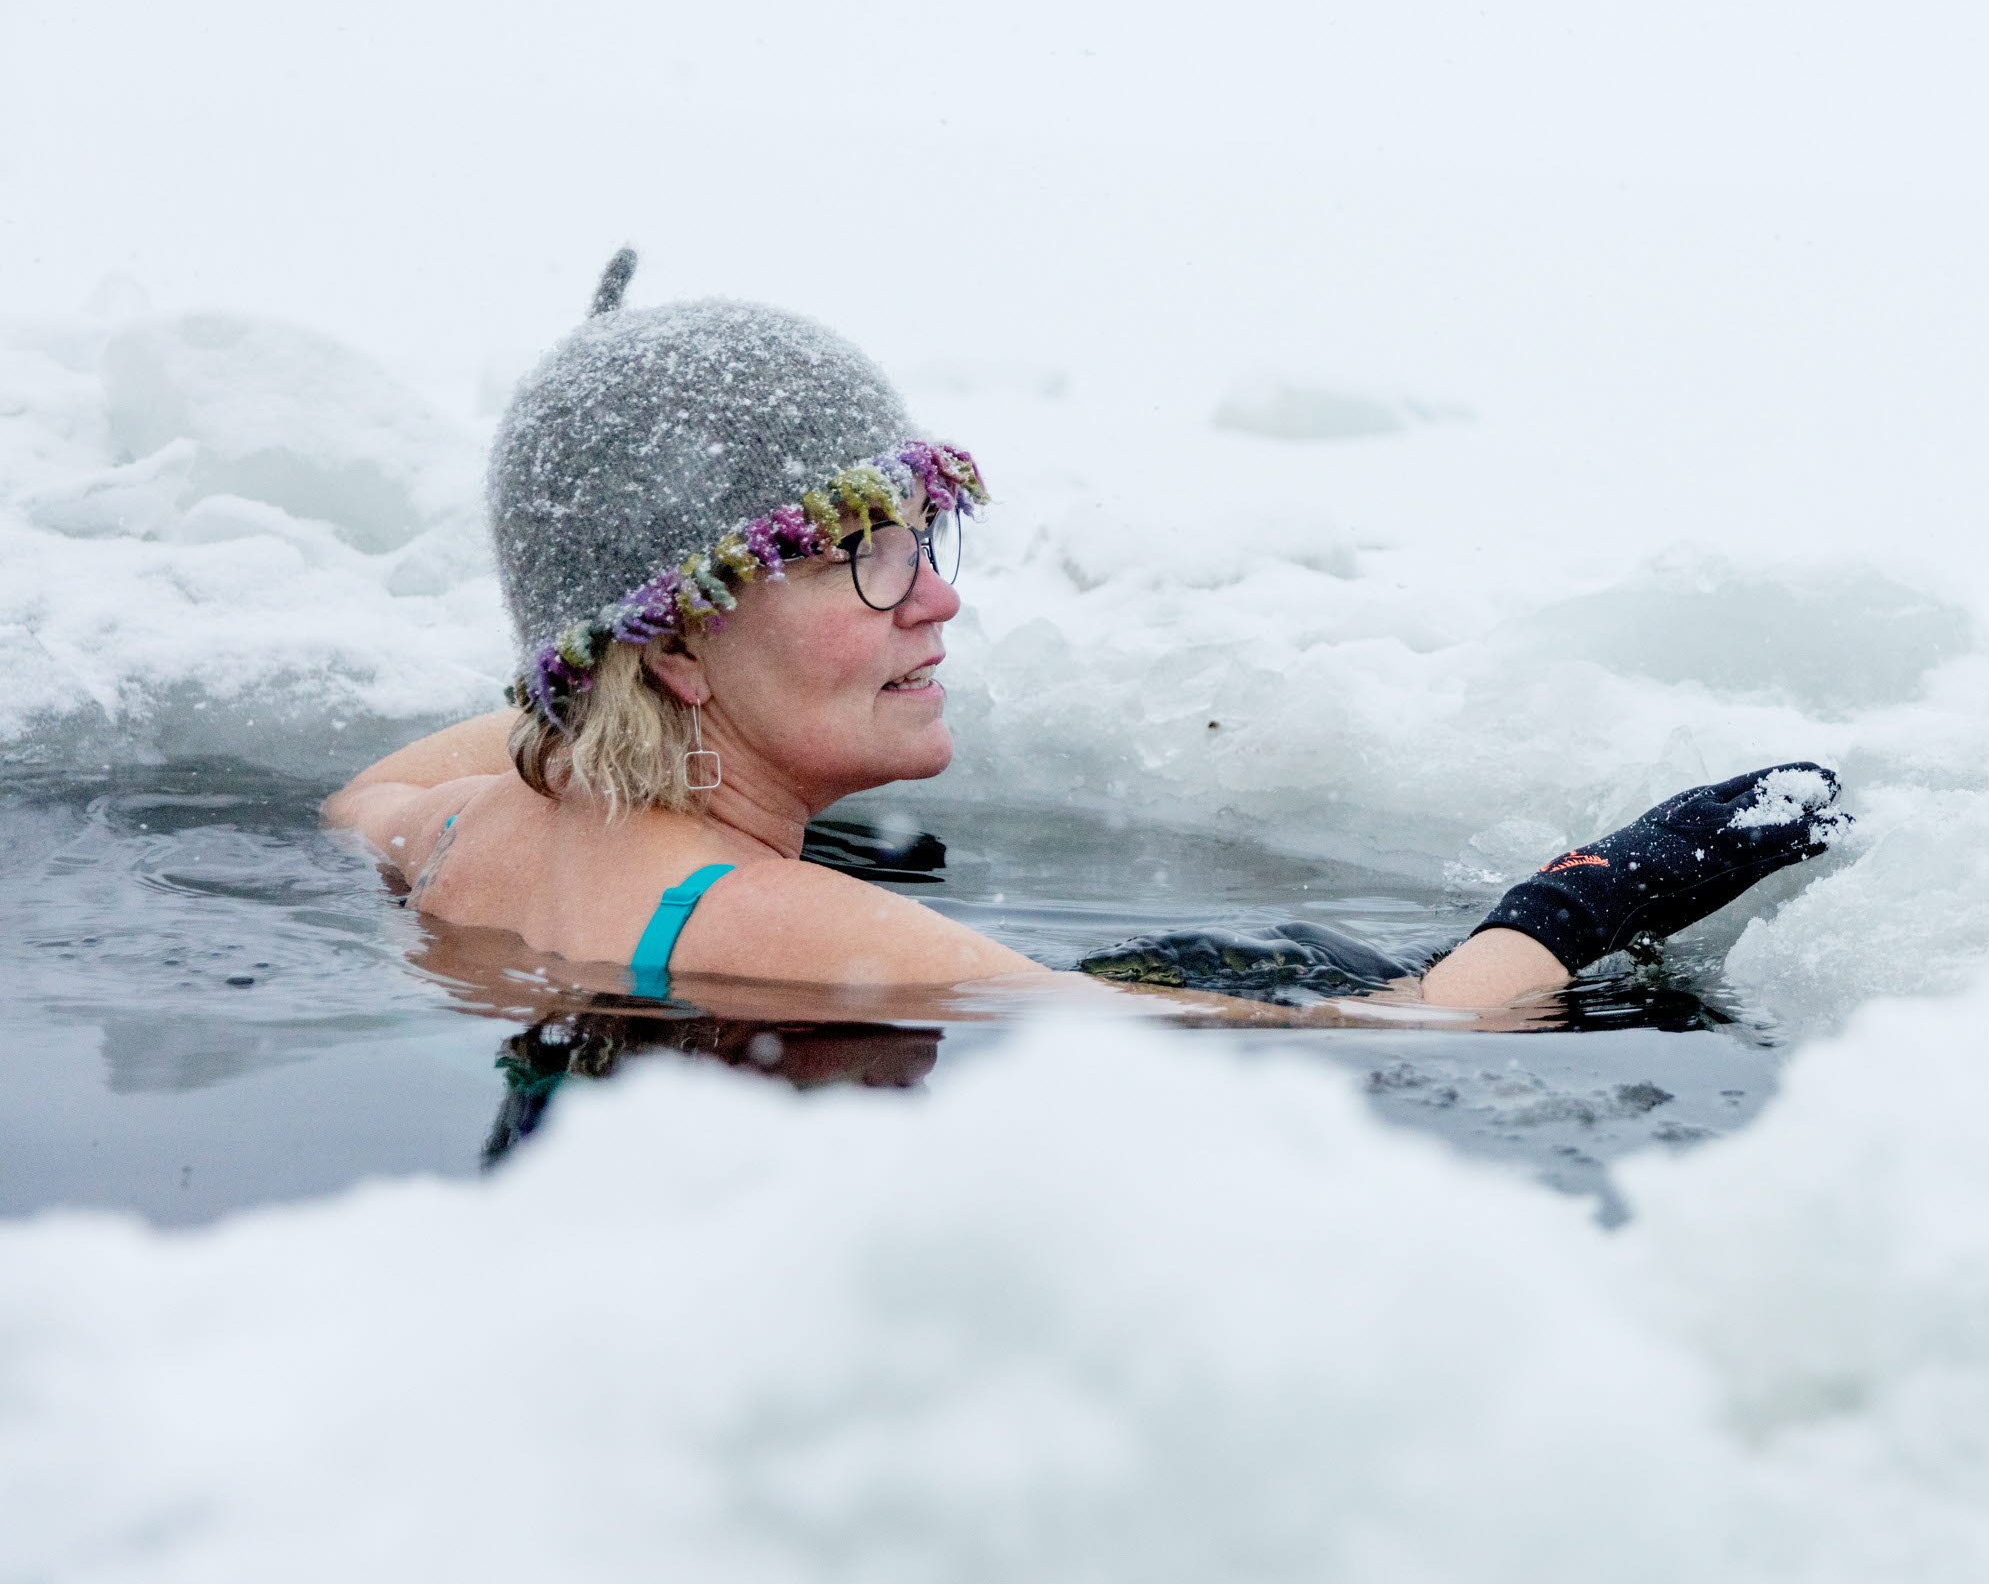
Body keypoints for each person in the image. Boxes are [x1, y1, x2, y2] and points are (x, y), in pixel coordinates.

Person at [327, 254, 1844, 1017]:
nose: (936, 595)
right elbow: (1382, 1043)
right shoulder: (791, 931)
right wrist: (1576, 902)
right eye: (857, 557)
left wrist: (584, 660)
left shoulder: (466, 829)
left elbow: (363, 800)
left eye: (925, 535)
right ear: (670, 642)